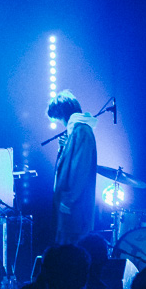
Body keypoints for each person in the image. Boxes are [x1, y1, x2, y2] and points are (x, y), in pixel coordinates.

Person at [47, 90, 97, 244]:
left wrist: (68, 199)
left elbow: (80, 169)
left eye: (59, 119)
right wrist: (64, 148)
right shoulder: (75, 131)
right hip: (70, 209)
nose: (61, 123)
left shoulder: (81, 131)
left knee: (70, 252)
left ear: (62, 113)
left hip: (74, 209)